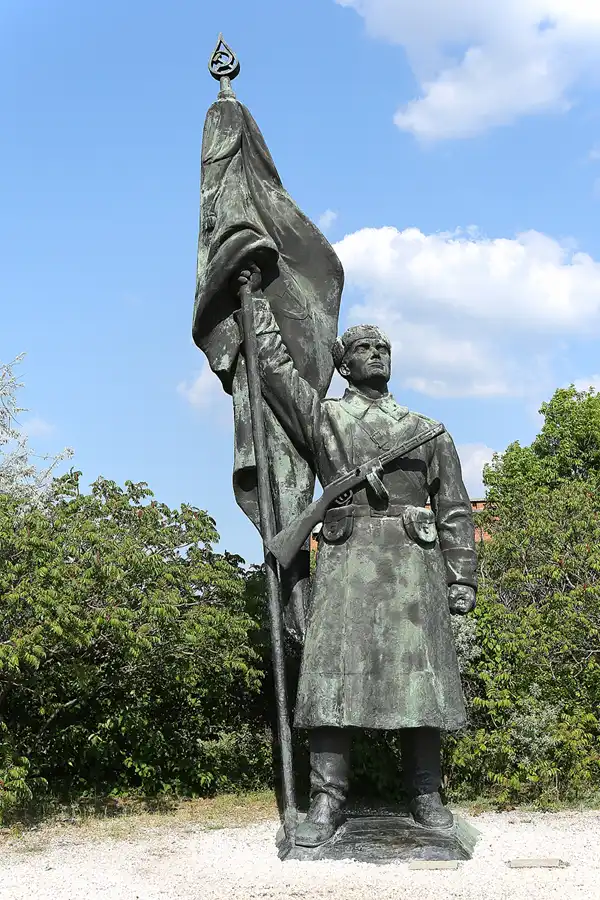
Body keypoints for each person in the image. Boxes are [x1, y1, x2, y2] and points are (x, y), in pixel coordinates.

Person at [238, 264, 477, 848]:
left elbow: (454, 507)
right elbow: (272, 367)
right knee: (330, 683)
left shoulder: (427, 429)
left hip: (414, 565)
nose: (375, 353)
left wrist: (461, 576)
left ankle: (427, 797)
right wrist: (253, 302)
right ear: (344, 364)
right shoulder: (325, 419)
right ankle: (327, 801)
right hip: (347, 562)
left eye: (383, 347)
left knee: (422, 686)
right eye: (363, 347)